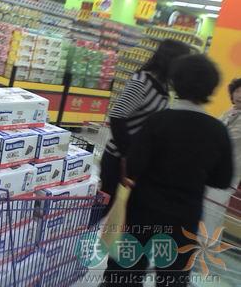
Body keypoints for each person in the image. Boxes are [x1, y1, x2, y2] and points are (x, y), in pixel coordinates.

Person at [102, 54, 233, 287]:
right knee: (174, 276)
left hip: (143, 210)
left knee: (126, 272)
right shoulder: (217, 131)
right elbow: (222, 179)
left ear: (174, 82)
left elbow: (133, 167)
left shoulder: (157, 121)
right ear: (212, 89)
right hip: (185, 215)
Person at [99, 39, 191, 214]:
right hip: (118, 157)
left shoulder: (163, 86)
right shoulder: (143, 81)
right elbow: (117, 115)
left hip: (137, 159)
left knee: (121, 208)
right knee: (105, 205)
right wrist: (128, 153)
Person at [203, 78, 241, 235]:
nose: (240, 95)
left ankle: (205, 246)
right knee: (211, 211)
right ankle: (207, 245)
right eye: (237, 91)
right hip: (213, 170)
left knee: (212, 212)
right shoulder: (228, 112)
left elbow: (228, 138)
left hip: (228, 174)